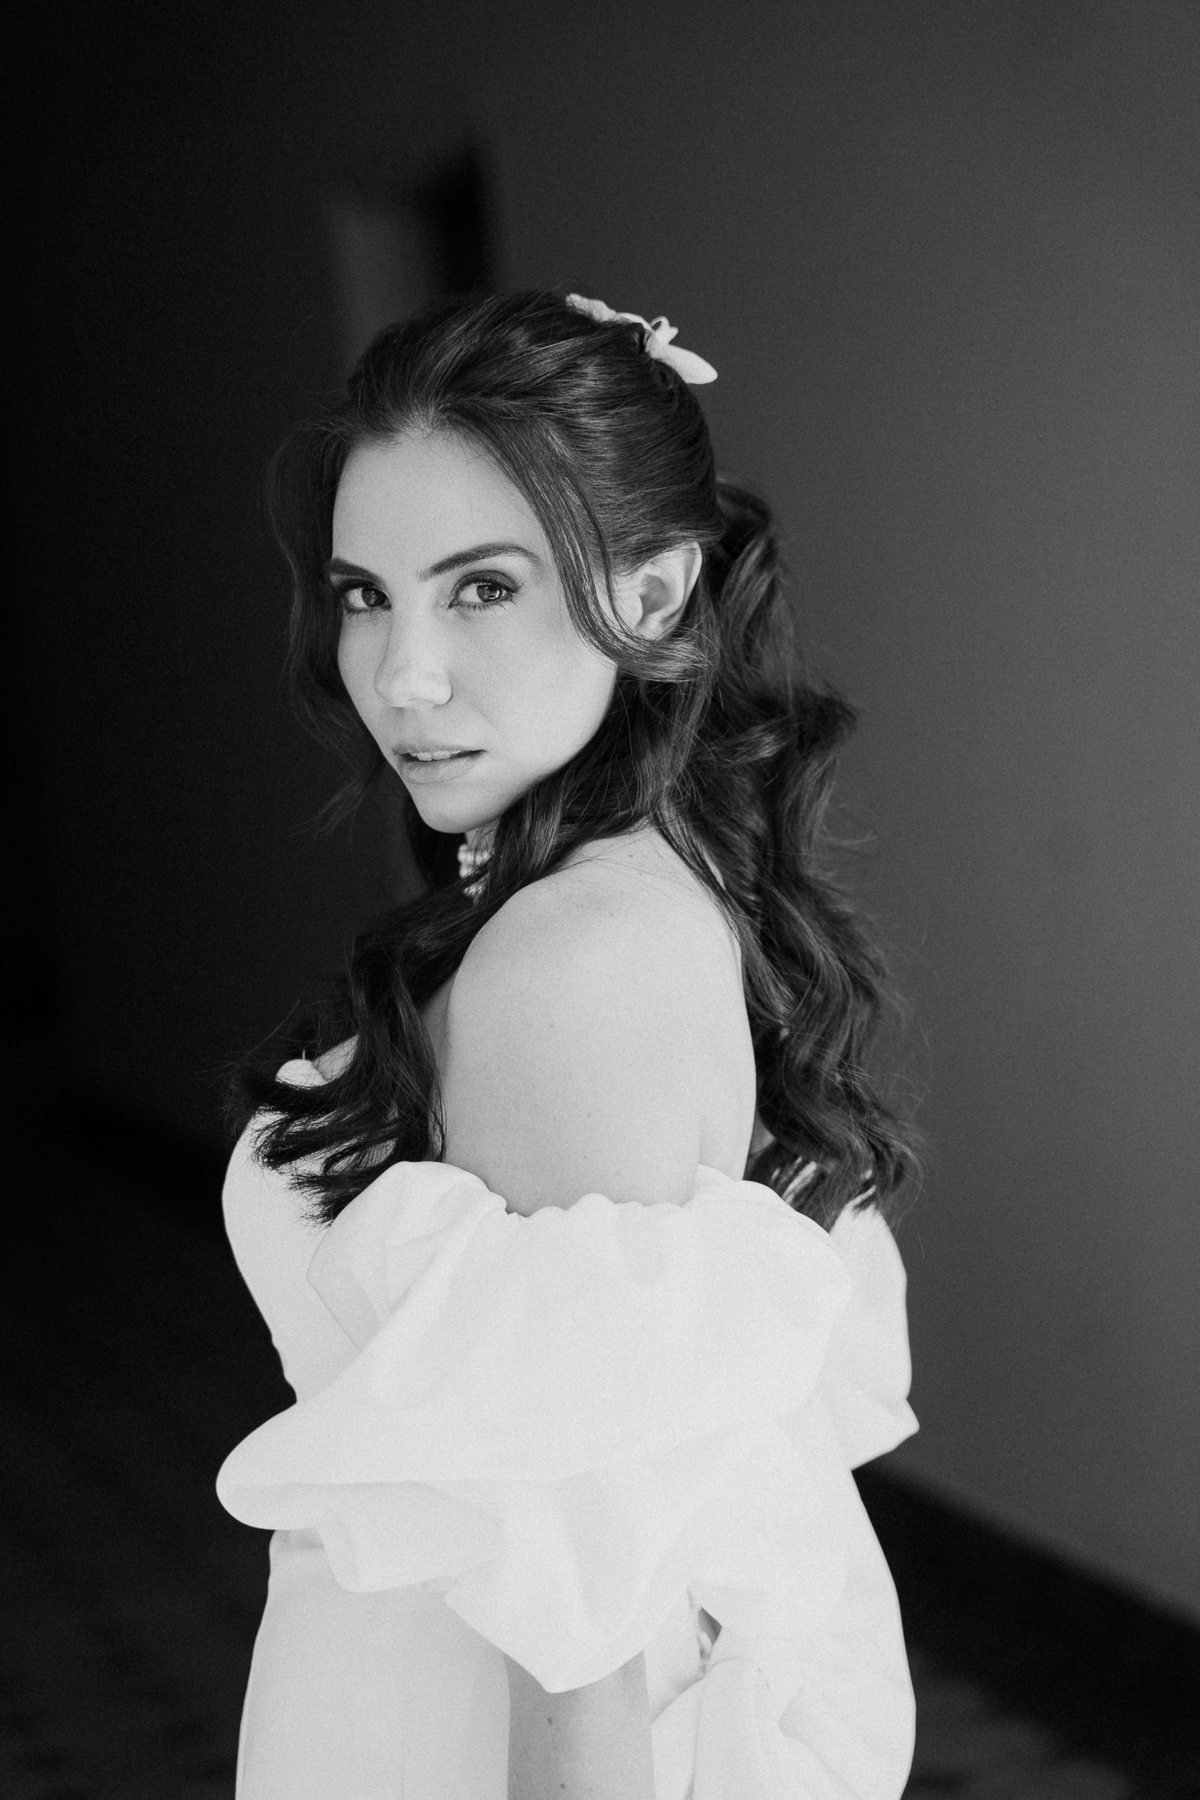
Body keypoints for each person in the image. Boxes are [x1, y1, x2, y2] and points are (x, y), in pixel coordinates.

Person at [217, 288, 922, 1800]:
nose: (402, 674)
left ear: (652, 593)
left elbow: (583, 1605)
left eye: (480, 588)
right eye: (365, 595)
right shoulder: (635, 884)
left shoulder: (570, 962)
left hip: (474, 1733)